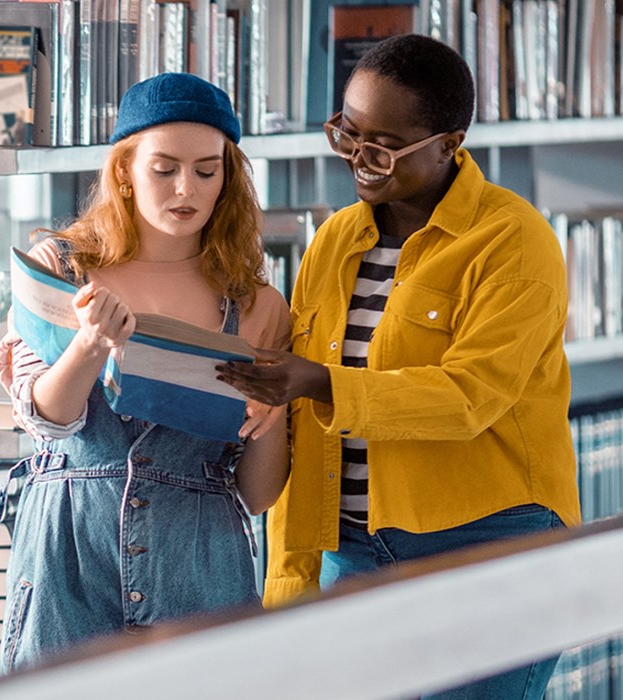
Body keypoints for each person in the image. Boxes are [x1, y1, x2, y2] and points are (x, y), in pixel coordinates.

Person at [214, 34, 580, 699]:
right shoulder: (331, 243)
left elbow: (468, 398)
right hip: (349, 554)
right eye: (348, 133)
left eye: (383, 144)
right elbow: (304, 430)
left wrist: (318, 381)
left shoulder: (514, 242)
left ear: (450, 142)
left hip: (486, 550)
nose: (359, 158)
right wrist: (289, 589)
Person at [0, 72, 292, 674]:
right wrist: (90, 345)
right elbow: (46, 420)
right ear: (124, 170)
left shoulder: (257, 305)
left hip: (201, 565)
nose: (187, 188)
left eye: (208, 170)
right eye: (164, 168)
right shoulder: (60, 268)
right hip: (68, 560)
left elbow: (257, 495)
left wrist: (273, 414)